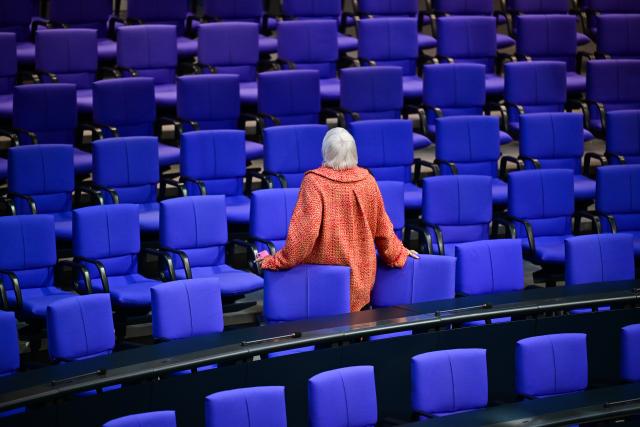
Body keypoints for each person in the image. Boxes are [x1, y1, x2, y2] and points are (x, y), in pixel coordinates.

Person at [259, 127, 418, 312]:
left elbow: (304, 236)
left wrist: (278, 260)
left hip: (323, 282)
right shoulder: (368, 181)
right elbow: (383, 230)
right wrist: (398, 253)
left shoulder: (314, 182)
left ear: (325, 151)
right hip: (361, 281)